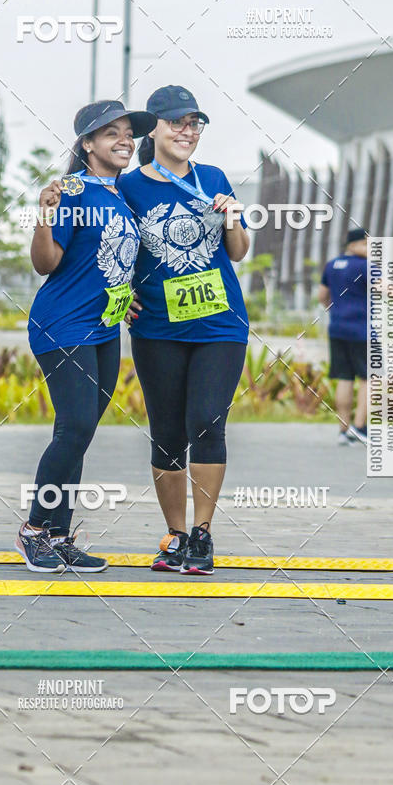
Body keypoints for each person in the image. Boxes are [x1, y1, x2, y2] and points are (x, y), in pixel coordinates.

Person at [15, 100, 156, 572]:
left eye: (128, 133)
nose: (124, 140)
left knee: (78, 433)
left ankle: (58, 535)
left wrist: (126, 291)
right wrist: (43, 214)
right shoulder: (73, 190)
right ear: (87, 144)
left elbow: (109, 261)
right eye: (110, 133)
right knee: (75, 427)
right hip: (62, 324)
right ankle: (34, 529)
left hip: (102, 329)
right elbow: (47, 263)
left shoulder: (119, 196)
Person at [118, 85, 250, 575]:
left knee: (207, 422)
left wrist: (233, 219)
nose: (187, 131)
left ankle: (202, 534)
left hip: (220, 323)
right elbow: (115, 247)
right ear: (153, 128)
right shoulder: (130, 187)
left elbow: (237, 251)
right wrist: (121, 291)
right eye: (176, 122)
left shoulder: (213, 177)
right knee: (167, 433)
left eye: (194, 124)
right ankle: (174, 535)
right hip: (157, 325)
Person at [319, 228, 369, 445]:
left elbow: (322, 295)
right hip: (362, 330)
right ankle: (359, 428)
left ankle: (343, 430)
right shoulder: (366, 266)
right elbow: (383, 288)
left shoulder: (332, 265)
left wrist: (336, 310)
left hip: (337, 327)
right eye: (367, 244)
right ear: (354, 245)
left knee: (345, 378)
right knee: (370, 378)